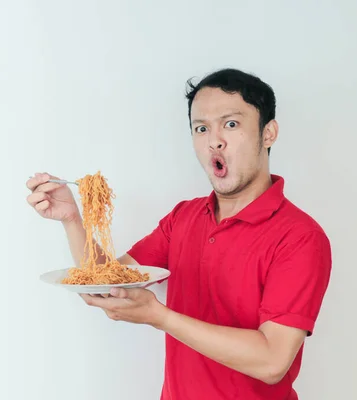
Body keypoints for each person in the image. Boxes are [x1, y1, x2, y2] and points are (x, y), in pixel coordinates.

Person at [26, 68, 332, 400]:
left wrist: (160, 317)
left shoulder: (300, 237)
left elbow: (272, 361)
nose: (214, 140)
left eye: (231, 124)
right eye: (201, 128)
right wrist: (72, 219)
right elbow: (109, 281)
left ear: (268, 133)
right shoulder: (183, 218)